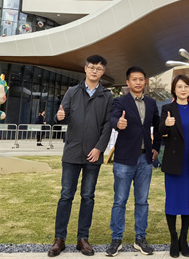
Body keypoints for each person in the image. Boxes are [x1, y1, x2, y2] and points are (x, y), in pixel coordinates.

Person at [48, 55, 113, 257]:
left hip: (93, 154)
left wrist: (99, 148)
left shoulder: (107, 96)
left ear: (103, 72)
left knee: (88, 196)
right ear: (85, 69)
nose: (94, 71)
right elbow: (61, 115)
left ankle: (82, 238)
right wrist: (59, 116)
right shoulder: (72, 91)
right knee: (66, 195)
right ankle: (59, 239)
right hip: (72, 152)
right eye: (91, 67)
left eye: (99, 68)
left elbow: (108, 125)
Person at [106, 66, 162, 257]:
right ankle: (116, 239)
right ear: (128, 82)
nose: (138, 82)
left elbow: (158, 126)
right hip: (124, 159)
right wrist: (118, 123)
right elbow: (113, 118)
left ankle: (140, 238)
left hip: (145, 159)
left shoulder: (151, 103)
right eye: (134, 79)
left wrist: (156, 148)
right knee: (120, 201)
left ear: (145, 82)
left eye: (141, 79)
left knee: (142, 201)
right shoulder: (120, 101)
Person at [159, 75, 189, 258]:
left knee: (188, 201)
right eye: (179, 86)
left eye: (186, 86)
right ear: (174, 89)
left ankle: (183, 239)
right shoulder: (167, 109)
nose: (183, 89)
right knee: (172, 201)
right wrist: (166, 124)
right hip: (174, 162)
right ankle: (173, 239)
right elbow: (160, 131)